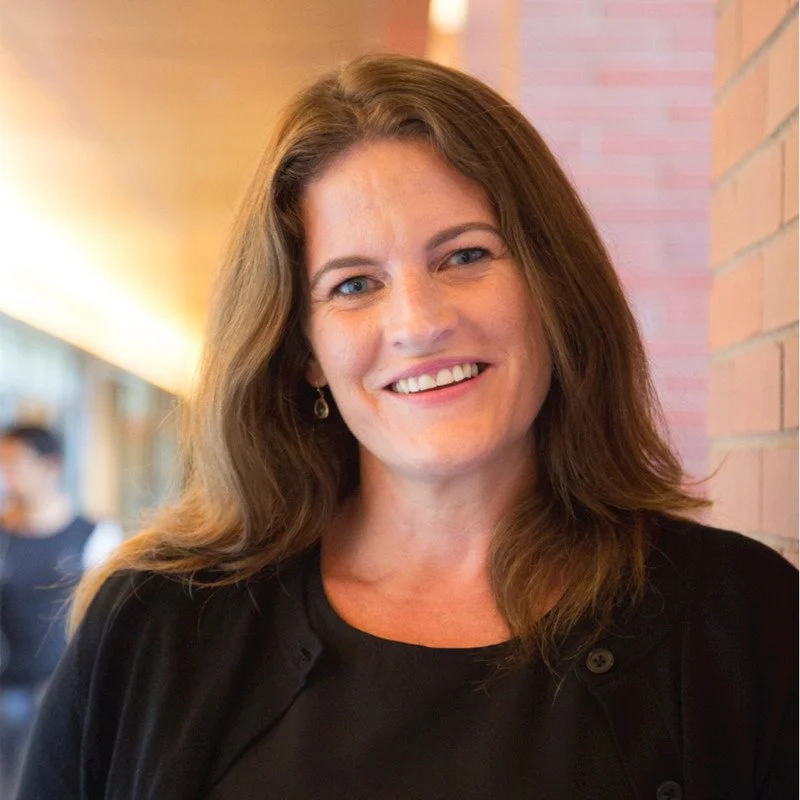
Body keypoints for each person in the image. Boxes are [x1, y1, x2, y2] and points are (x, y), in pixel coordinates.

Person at [16, 54, 797, 800]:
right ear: (304, 352)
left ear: (552, 286)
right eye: (354, 284)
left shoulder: (742, 620)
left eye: (464, 256)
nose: (418, 322)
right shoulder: (156, 625)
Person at [0, 424, 121, 797]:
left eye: (14, 463)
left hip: (69, 690)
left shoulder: (94, 536)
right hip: (9, 691)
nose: (6, 474)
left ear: (51, 466)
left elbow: (111, 625)